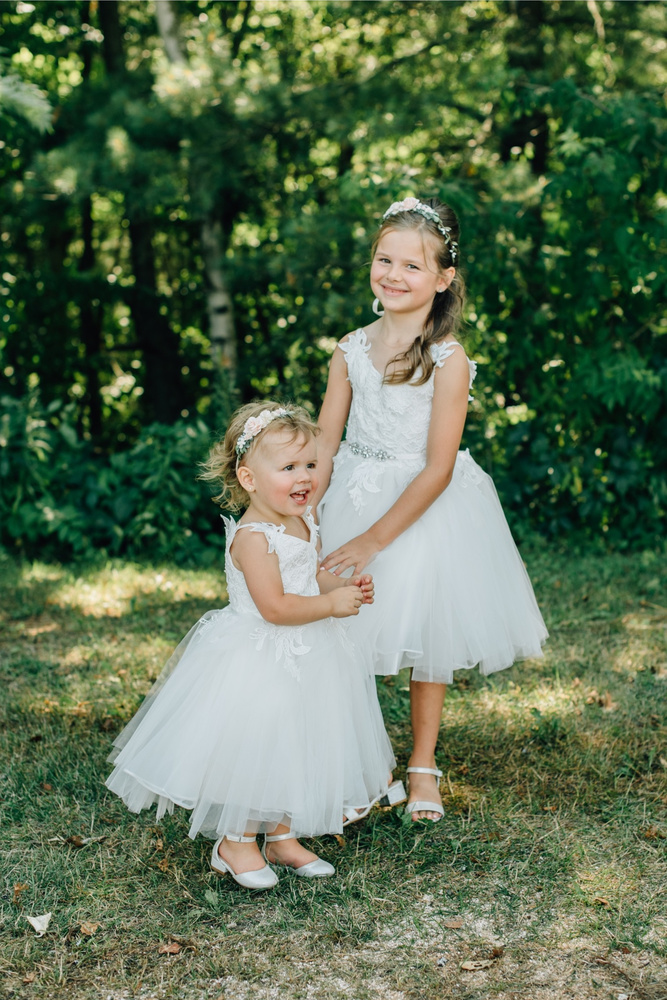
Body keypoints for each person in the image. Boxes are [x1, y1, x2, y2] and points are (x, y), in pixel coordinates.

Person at [316, 197, 548, 823]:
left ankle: (422, 764)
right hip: (355, 491)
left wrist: (372, 540)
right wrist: (305, 507)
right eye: (383, 260)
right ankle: (355, 766)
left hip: (424, 505)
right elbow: (325, 443)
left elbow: (439, 467)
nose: (392, 275)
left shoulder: (449, 360)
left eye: (411, 265)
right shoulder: (348, 350)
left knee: (428, 634)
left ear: (443, 279)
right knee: (342, 630)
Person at [106, 402, 397, 890]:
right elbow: (276, 608)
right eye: (288, 468)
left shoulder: (304, 521)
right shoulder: (253, 538)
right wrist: (330, 607)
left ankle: (282, 836)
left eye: (309, 465)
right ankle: (235, 841)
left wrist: (339, 589)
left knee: (296, 744)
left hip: (311, 658)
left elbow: (310, 576)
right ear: (249, 477)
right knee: (257, 748)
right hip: (261, 659)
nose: (304, 477)